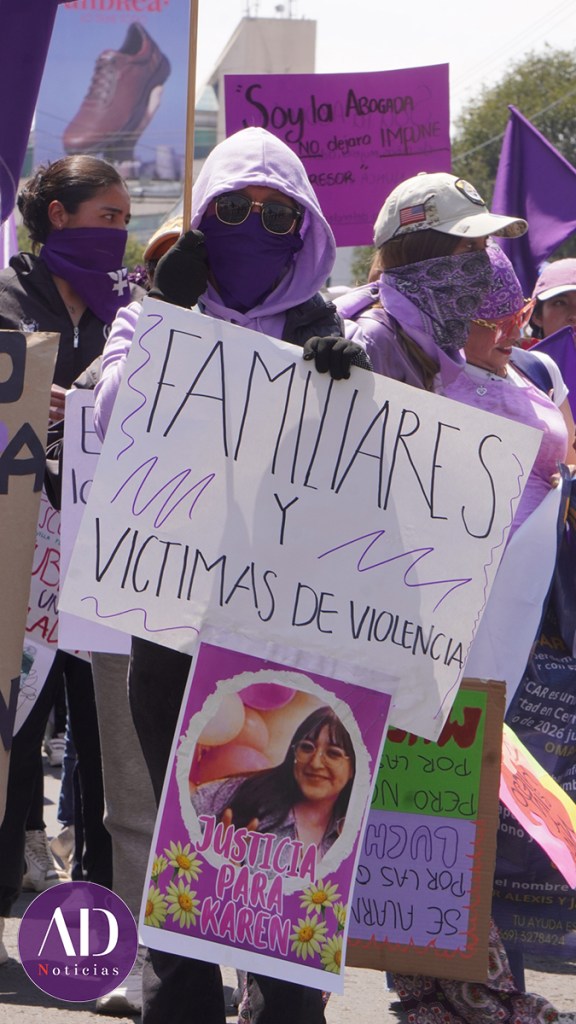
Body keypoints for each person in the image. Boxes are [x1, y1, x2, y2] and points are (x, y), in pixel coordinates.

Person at [94, 126, 369, 1024]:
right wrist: (168, 322)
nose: (257, 225)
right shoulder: (149, 313)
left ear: (307, 229)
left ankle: (286, 1000)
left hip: (290, 628)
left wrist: (356, 393)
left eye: (279, 214)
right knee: (186, 816)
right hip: (173, 620)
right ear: (203, 217)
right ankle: (182, 1000)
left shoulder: (330, 330)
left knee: (289, 831)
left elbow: (372, 487)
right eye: (235, 208)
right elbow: (110, 421)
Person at [336, 172, 576, 1024]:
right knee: (358, 823)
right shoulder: (362, 346)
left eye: (488, 253)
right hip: (368, 634)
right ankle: (454, 990)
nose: (483, 272)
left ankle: (452, 989)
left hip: (457, 642)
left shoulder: (475, 359)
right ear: (420, 261)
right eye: (465, 253)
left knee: (434, 818)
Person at [0, 155, 136, 962]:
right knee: (13, 743)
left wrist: (91, 407)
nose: (118, 233)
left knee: (109, 752)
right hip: (20, 559)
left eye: (124, 220)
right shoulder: (6, 300)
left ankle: (102, 938)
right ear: (59, 215)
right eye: (106, 217)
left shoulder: (136, 310)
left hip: (105, 563)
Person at [192, 706, 355, 860]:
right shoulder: (242, 794)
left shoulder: (354, 834)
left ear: (353, 768)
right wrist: (212, 863)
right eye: (306, 747)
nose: (315, 763)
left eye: (333, 754)